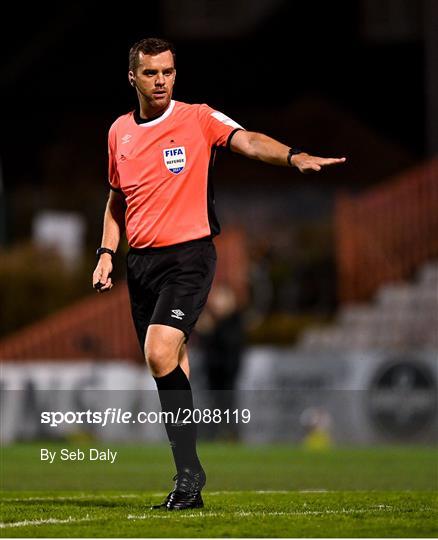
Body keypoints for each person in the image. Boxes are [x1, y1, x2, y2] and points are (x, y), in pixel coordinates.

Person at [92, 37, 346, 511]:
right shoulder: (118, 133)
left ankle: (191, 472)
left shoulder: (198, 117)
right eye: (150, 73)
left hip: (189, 257)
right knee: (169, 365)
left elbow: (247, 139)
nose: (161, 80)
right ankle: (188, 479)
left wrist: (292, 156)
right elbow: (116, 200)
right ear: (133, 78)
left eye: (167, 71)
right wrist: (106, 251)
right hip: (140, 263)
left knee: (158, 349)